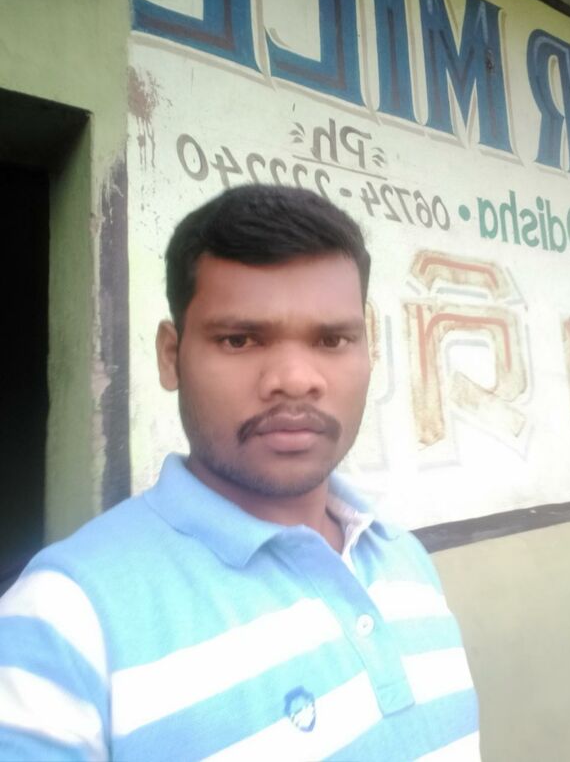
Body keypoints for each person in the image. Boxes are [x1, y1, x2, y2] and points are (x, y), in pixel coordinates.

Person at [0, 185, 479, 760]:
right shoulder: (63, 623)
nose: (295, 379)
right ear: (171, 357)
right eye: (240, 339)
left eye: (332, 339)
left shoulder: (406, 559)